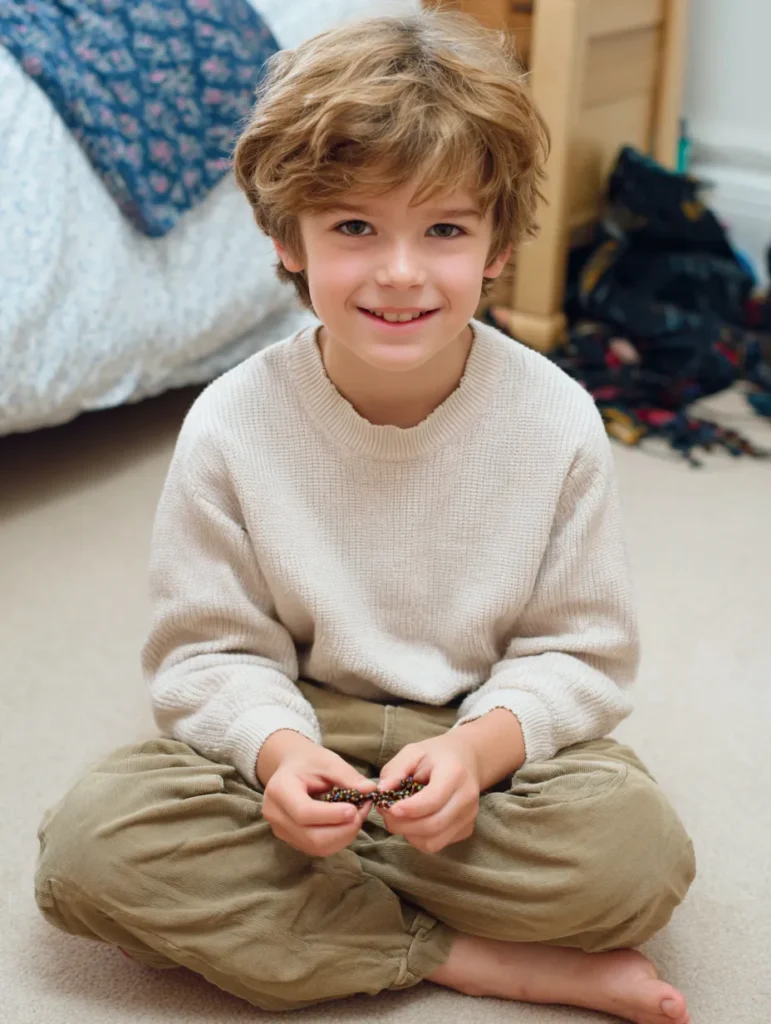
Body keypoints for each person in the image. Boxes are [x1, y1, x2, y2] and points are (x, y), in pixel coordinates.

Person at [34, 11, 695, 1023]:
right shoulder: (229, 425)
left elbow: (580, 652)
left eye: (443, 228)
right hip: (305, 722)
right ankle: (463, 955)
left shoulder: (557, 419)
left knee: (637, 854)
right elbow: (207, 657)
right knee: (90, 845)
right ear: (286, 239)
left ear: (498, 245)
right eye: (353, 227)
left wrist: (477, 754)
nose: (399, 271)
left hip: (484, 741)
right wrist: (281, 754)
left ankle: (319, 916)